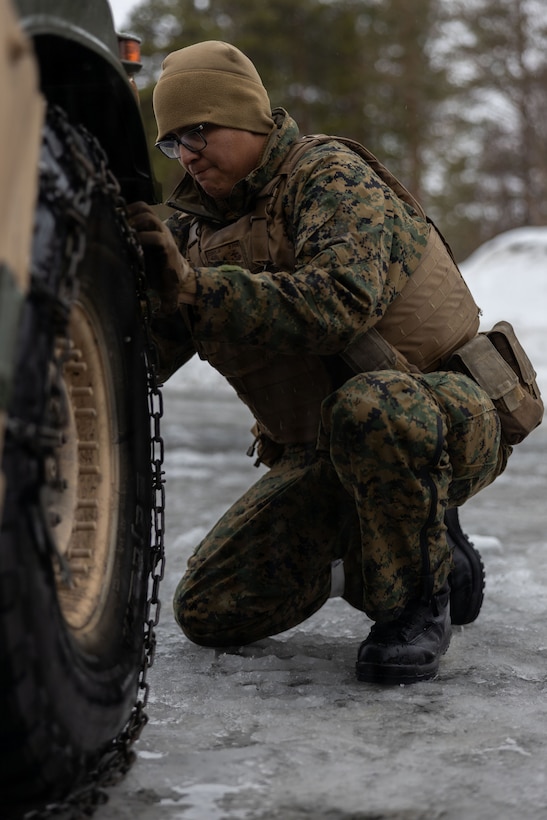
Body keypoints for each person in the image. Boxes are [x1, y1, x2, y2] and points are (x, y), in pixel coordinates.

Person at [127, 40, 512, 685]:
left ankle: (415, 609)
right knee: (209, 609)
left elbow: (339, 303)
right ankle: (396, 551)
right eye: (174, 142)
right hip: (325, 451)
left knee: (375, 407)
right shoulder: (194, 234)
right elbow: (147, 361)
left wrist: (196, 289)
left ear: (248, 118)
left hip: (439, 416)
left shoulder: (329, 179)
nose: (188, 153)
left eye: (201, 131)